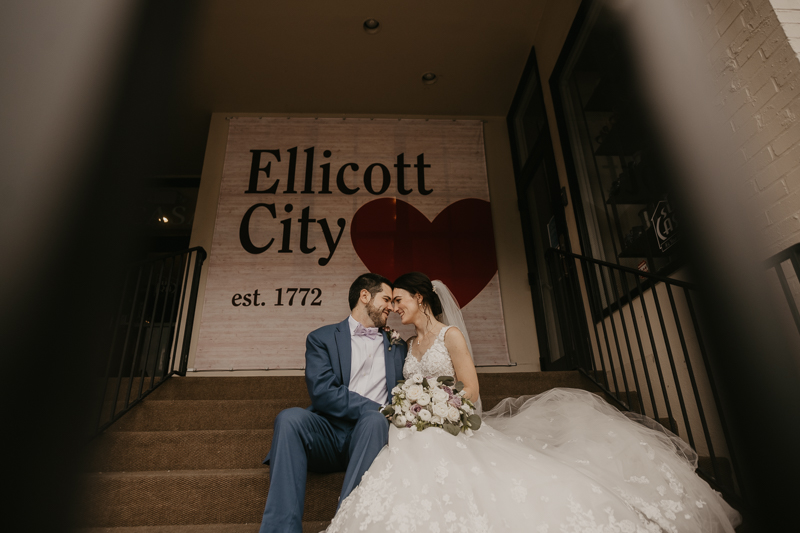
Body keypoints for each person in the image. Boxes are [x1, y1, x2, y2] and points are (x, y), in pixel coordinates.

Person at [325, 272, 741, 533]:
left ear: (421, 298)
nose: (394, 307)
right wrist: (414, 406)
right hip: (412, 426)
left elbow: (470, 389)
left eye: (399, 299)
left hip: (445, 419)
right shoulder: (408, 344)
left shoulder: (451, 336)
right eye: (390, 301)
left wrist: (439, 407)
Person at [259, 273, 407, 533]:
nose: (391, 308)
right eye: (386, 299)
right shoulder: (321, 338)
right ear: (364, 296)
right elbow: (323, 392)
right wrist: (379, 408)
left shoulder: (398, 345)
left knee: (373, 421)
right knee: (289, 418)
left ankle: (346, 526)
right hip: (326, 433)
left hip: (369, 435)